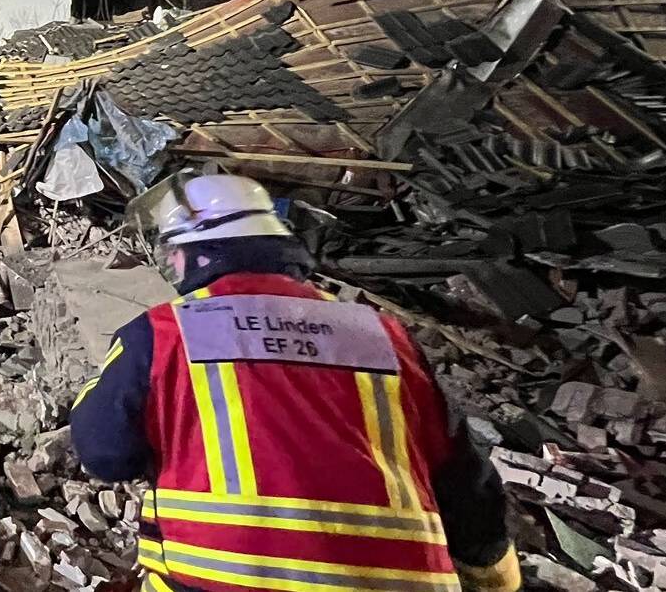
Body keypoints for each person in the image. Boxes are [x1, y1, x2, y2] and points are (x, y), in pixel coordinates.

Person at [69, 173, 518, 592]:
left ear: (196, 252)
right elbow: (460, 470)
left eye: (173, 254)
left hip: (218, 575)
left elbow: (105, 452)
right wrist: (490, 567)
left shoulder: (165, 331)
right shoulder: (384, 335)